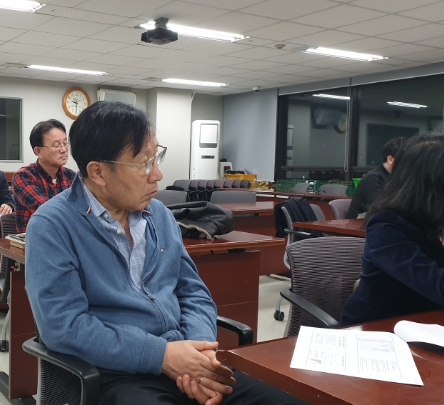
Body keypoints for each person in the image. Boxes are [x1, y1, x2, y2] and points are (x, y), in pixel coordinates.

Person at [25, 102, 306, 405]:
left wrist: (198, 352)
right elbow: (64, 326)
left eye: (156, 157)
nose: (158, 174)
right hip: (115, 373)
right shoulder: (52, 225)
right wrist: (162, 356)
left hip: (185, 354)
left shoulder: (158, 214)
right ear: (98, 172)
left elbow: (193, 292)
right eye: (144, 164)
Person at [341, 134, 444, 326]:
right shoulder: (386, 226)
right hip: (378, 327)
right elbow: (439, 286)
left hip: (427, 319)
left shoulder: (433, 218)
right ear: (434, 184)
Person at [12, 119, 76, 233]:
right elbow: (47, 210)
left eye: (65, 143)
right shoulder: (24, 176)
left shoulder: (72, 176)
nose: (63, 149)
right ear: (38, 151)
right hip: (36, 239)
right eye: (56, 145)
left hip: (68, 237)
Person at [346, 137, 406, 218]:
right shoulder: (373, 178)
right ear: (390, 159)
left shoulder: (397, 177)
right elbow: (380, 208)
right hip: (360, 223)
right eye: (405, 160)